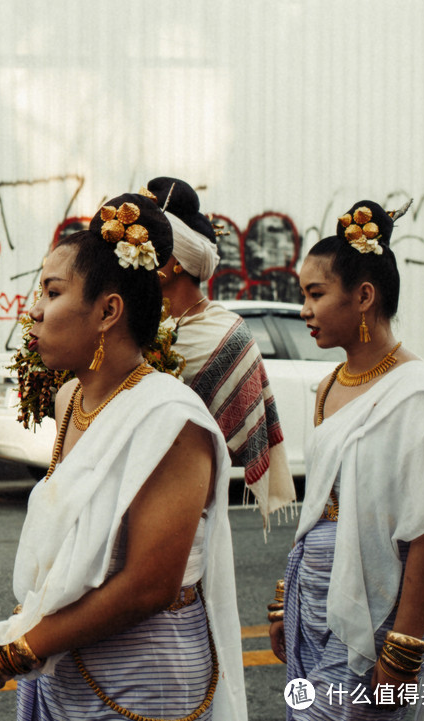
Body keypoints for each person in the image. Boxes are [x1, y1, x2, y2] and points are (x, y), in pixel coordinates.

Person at [0, 193, 247, 720]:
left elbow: (149, 585)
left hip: (144, 680)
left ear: (109, 310)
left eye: (52, 291)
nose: (34, 310)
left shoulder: (171, 419)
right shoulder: (70, 399)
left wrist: (18, 649)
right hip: (65, 662)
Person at [269, 200, 424, 720]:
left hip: (385, 608)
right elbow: (319, 506)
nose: (304, 309)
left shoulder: (421, 395)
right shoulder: (329, 386)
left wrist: (404, 646)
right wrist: (288, 598)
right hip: (315, 598)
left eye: (315, 294)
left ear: (364, 296)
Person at [147, 176, 295, 527]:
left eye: (152, 245)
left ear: (176, 261)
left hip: (188, 501)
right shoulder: (132, 325)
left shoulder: (226, 335)